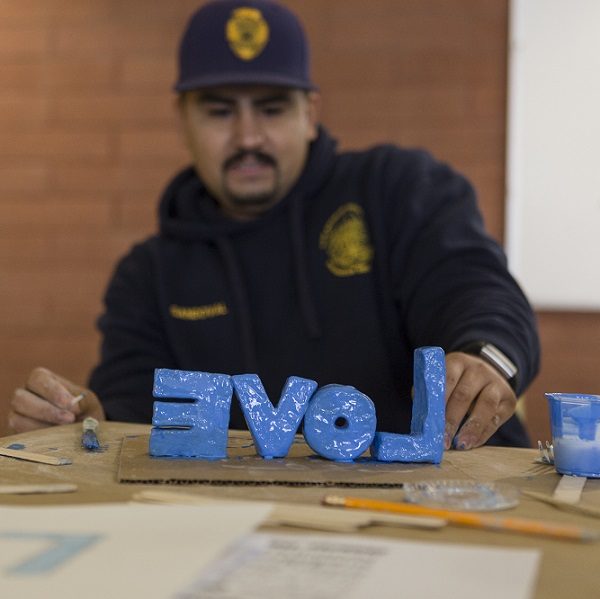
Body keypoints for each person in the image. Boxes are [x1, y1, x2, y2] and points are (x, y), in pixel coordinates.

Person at [7, 0, 539, 451]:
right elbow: (131, 420)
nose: (248, 138)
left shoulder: (399, 189)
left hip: (448, 504)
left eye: (271, 108)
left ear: (309, 113)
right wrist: (84, 425)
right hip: (253, 535)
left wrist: (483, 356)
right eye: (219, 111)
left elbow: (478, 291)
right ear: (182, 120)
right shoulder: (148, 275)